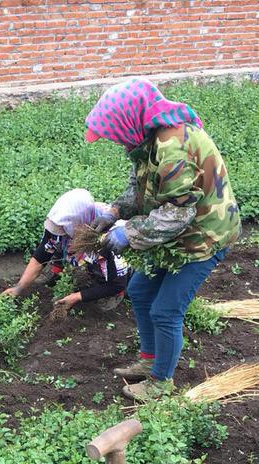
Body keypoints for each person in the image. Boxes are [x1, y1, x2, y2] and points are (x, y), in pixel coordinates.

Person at [85, 77, 241, 401]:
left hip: (205, 235)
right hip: (177, 233)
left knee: (166, 310)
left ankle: (160, 383)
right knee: (140, 289)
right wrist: (115, 211)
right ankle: (149, 360)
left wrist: (127, 233)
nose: (116, 142)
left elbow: (178, 213)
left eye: (114, 134)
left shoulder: (172, 147)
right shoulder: (146, 139)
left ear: (127, 120)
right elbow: (140, 185)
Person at [3, 188, 130, 312]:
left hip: (120, 272)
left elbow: (117, 284)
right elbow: (42, 254)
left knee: (104, 270)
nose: (58, 231)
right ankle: (57, 273)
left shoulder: (110, 237)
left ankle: (117, 294)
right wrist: (18, 288)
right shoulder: (69, 219)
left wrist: (77, 297)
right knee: (58, 241)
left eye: (63, 229)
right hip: (80, 233)